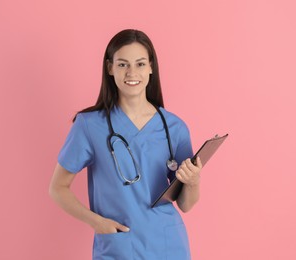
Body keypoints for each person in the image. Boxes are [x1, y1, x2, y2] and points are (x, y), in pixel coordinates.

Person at [49, 29, 202, 260]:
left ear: (151, 67)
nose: (132, 72)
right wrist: (97, 222)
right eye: (122, 65)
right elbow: (57, 187)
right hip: (119, 246)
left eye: (140, 64)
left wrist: (193, 181)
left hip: (168, 245)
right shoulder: (89, 125)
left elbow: (185, 204)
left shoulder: (175, 127)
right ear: (110, 68)